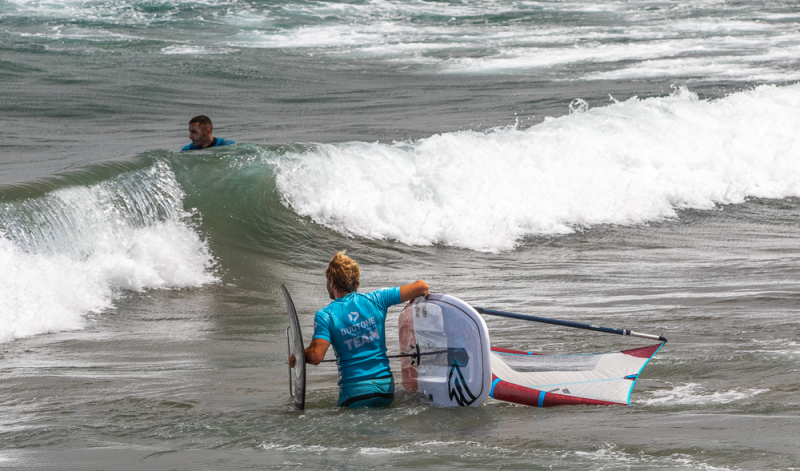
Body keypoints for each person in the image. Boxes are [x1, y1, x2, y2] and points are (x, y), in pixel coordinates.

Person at [290, 251, 429, 408]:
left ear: (332, 281)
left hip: (355, 392)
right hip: (385, 389)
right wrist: (418, 283)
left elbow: (316, 356)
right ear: (355, 281)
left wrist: (299, 357)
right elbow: (422, 287)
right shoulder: (377, 299)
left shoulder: (326, 315)